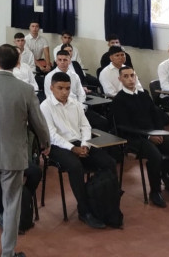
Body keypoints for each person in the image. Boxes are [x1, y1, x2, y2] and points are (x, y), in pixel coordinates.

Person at [0, 44, 50, 257]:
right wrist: (45, 142)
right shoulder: (26, 89)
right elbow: (38, 122)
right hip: (14, 155)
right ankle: (8, 252)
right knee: (11, 202)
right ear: (17, 63)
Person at [41, 72, 116, 229]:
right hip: (57, 146)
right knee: (75, 167)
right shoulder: (45, 107)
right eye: (60, 88)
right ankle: (85, 210)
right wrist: (72, 148)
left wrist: (85, 145)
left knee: (109, 162)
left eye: (67, 88)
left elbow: (85, 126)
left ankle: (107, 202)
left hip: (80, 143)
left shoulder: (75, 103)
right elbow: (51, 134)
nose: (64, 92)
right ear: (51, 88)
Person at [112, 66, 169, 207]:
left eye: (132, 75)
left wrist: (158, 132)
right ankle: (155, 192)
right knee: (155, 156)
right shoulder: (119, 100)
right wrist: (149, 137)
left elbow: (155, 115)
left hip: (154, 134)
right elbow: (124, 126)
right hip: (135, 138)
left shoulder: (144, 94)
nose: (130, 79)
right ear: (120, 79)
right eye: (126, 76)